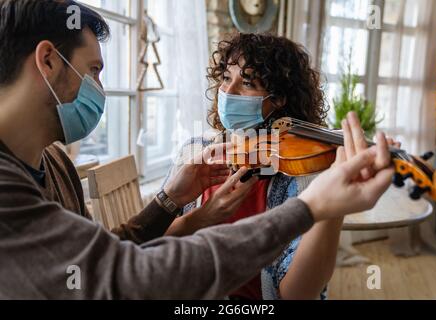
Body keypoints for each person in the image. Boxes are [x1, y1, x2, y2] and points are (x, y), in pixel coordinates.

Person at [0, 0, 393, 299]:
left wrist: (174, 200)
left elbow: (101, 256)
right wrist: (310, 209)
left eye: (249, 82)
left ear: (278, 99)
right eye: (94, 71)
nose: (99, 88)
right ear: (48, 61)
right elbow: (126, 271)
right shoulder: (9, 186)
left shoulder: (55, 164)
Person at [162, 33, 400, 300]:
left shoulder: (297, 172)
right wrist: (201, 217)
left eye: (248, 82)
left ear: (277, 99)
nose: (228, 92)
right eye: (226, 78)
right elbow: (150, 247)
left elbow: (297, 296)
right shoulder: (194, 151)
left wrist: (334, 209)